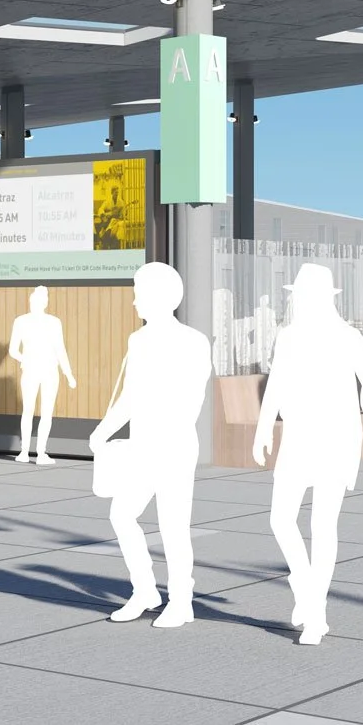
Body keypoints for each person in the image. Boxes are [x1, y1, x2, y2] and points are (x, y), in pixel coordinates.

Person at [255, 263, 363, 646]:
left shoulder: (347, 337)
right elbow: (276, 385)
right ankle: (304, 585)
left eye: (302, 295)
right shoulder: (288, 337)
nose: (297, 301)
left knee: (322, 524)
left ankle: (316, 612)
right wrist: (264, 427)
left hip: (337, 437)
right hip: (299, 436)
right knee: (280, 519)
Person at [90, 261, 212, 629]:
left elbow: (193, 399)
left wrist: (160, 428)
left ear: (159, 297)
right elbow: (128, 396)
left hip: (173, 445)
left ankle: (181, 601)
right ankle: (145, 590)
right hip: (142, 445)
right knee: (121, 515)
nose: (134, 302)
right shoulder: (138, 340)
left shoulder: (192, 341)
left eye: (138, 294)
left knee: (173, 525)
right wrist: (103, 430)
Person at [9, 286, 77, 464]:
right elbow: (13, 350)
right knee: (31, 411)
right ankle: (28, 452)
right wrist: (26, 358)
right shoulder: (23, 321)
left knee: (42, 411)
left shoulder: (52, 322)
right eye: (34, 301)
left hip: (47, 369)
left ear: (45, 303)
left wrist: (68, 373)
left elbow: (60, 349)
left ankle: (37, 452)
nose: (36, 304)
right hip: (36, 368)